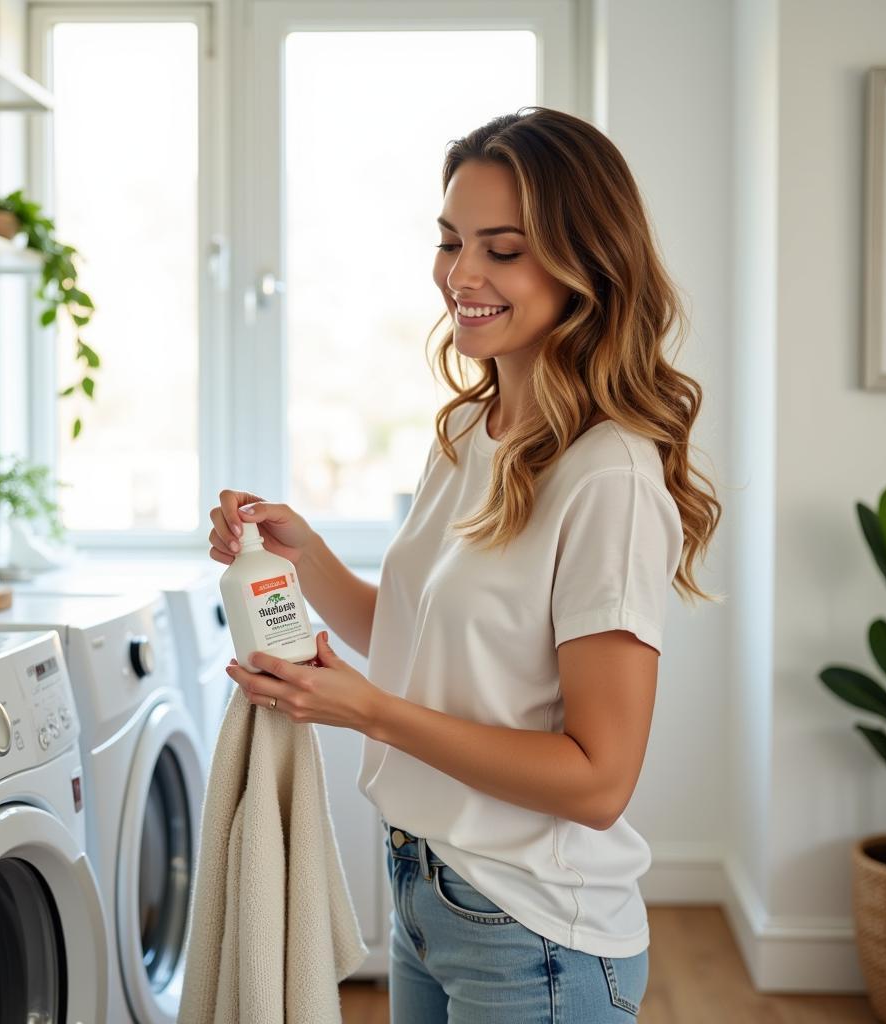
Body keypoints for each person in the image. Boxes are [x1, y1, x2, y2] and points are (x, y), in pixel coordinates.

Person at [210, 106, 722, 1023]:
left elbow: (599, 781)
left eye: (504, 248)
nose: (463, 275)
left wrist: (367, 709)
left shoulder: (608, 474)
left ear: (584, 265)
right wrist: (307, 556)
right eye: (451, 241)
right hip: (426, 887)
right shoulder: (466, 431)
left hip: (535, 935)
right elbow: (421, 639)